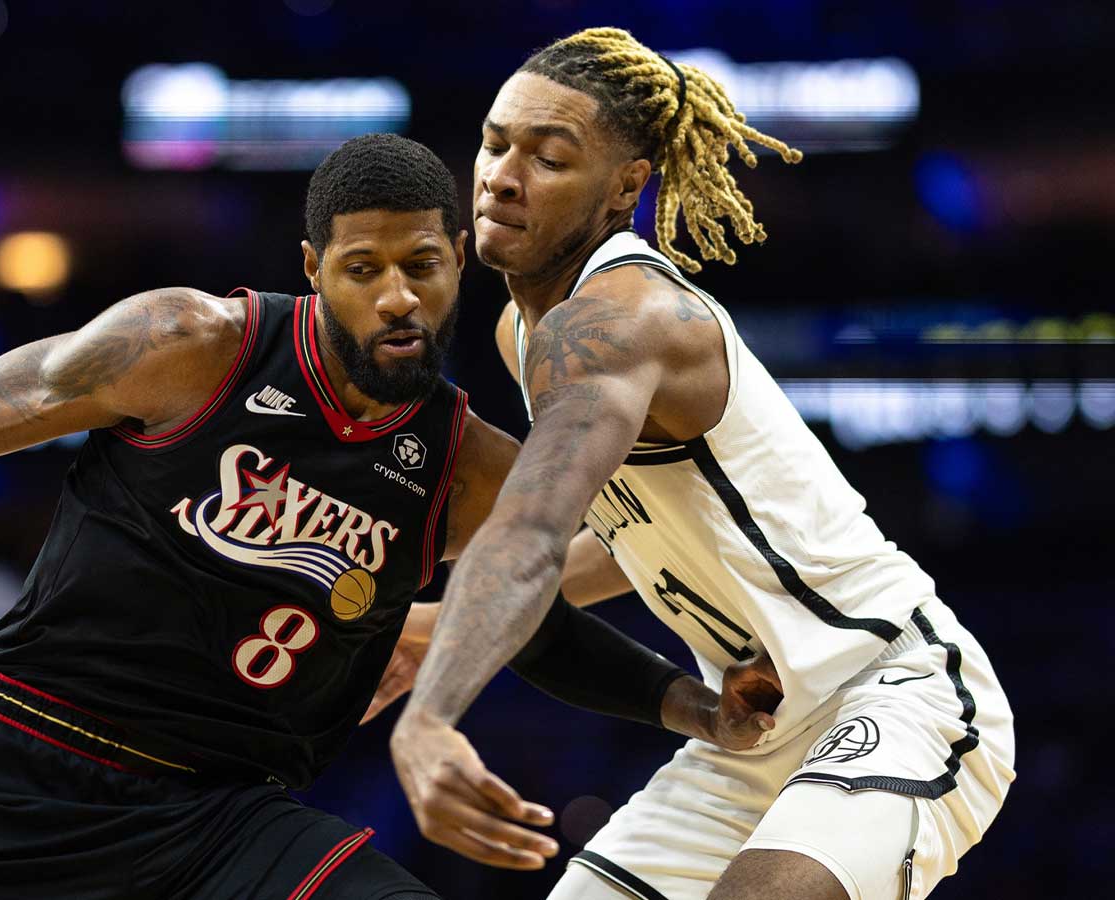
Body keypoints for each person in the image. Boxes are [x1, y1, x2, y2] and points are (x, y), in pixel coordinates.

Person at [0, 134, 770, 899]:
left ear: (456, 263)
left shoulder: (465, 464)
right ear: (314, 269)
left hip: (222, 819)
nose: (397, 294)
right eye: (363, 266)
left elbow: (523, 607)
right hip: (22, 772)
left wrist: (686, 702)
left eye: (421, 264)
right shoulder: (190, 346)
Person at [388, 27, 1016, 900]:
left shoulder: (623, 320)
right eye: (496, 143)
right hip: (753, 727)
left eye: (549, 158)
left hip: (894, 687)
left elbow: (530, 531)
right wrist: (445, 625)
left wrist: (430, 718)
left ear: (625, 186)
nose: (500, 174)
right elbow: (635, 539)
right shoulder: (521, 329)